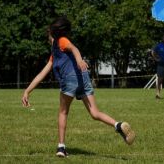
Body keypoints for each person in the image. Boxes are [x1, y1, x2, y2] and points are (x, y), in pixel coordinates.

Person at [21, 16, 135, 158]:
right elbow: (42, 73)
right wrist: (27, 91)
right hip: (83, 78)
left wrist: (80, 60)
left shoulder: (61, 41)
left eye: (48, 37)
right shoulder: (54, 54)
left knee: (63, 112)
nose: (49, 40)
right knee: (95, 113)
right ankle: (118, 125)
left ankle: (61, 147)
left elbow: (74, 48)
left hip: (71, 79)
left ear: (53, 34)